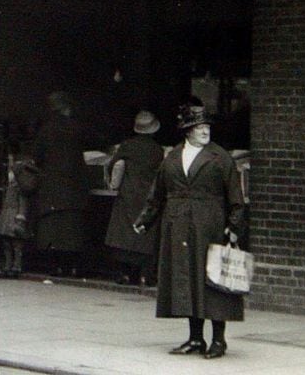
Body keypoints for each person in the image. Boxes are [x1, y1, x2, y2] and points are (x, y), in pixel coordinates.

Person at [133, 98, 246, 360]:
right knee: (187, 281)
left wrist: (234, 227)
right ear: (187, 130)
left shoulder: (220, 158)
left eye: (207, 125)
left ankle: (219, 340)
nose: (205, 130)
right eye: (199, 127)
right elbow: (157, 194)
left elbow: (235, 197)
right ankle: (195, 338)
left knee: (214, 284)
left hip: (211, 226)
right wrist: (144, 220)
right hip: (179, 226)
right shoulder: (172, 157)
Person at [32, 90, 89, 276]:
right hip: (74, 189)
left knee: (53, 230)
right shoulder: (78, 128)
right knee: (72, 230)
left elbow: (37, 156)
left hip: (51, 189)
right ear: (68, 107)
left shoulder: (46, 130)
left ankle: (54, 267)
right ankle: (71, 267)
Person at [104, 109, 164, 286]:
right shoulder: (158, 150)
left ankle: (124, 274)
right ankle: (145, 275)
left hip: (128, 195)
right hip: (149, 197)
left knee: (124, 236)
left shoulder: (127, 146)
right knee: (145, 235)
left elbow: (113, 165)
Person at [0, 135, 35, 278]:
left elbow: (22, 197)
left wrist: (20, 214)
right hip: (12, 211)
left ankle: (13, 265)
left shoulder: (17, 176)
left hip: (12, 212)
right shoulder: (19, 173)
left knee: (12, 241)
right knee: (12, 241)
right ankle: (12, 265)